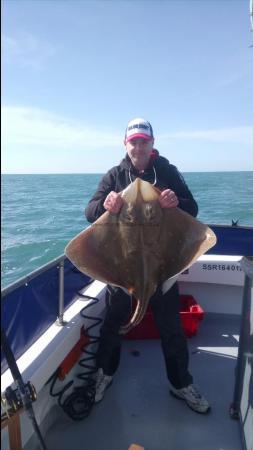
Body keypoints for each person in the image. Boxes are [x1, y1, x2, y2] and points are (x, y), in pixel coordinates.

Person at [85, 117, 210, 414]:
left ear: (152, 144)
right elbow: (89, 212)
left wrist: (174, 200)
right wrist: (106, 205)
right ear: (125, 145)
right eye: (134, 142)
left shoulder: (166, 171)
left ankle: (181, 384)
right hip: (123, 267)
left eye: (144, 141)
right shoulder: (114, 175)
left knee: (172, 328)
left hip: (161, 266)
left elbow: (192, 208)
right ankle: (105, 374)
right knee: (113, 324)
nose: (139, 146)